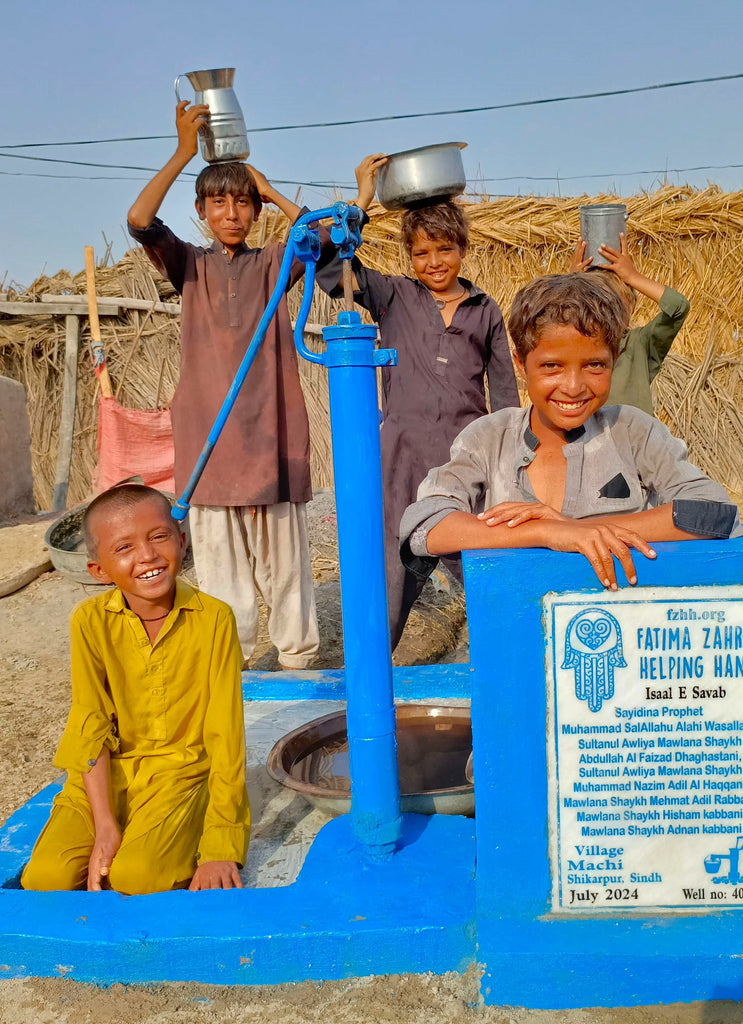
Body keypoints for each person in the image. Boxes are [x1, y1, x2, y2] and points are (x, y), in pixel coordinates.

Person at [127, 99, 327, 668]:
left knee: (289, 582)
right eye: (219, 202)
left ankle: (299, 672)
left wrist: (270, 187)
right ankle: (230, 682)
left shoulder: (275, 263)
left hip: (273, 444)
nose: (233, 212)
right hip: (209, 451)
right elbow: (139, 221)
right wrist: (183, 152)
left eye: (243, 202)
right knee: (224, 591)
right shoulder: (188, 265)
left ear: (257, 210)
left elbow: (331, 237)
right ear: (202, 211)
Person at [400, 274, 741, 592]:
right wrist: (548, 531)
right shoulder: (489, 437)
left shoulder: (633, 432)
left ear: (615, 359)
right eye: (551, 366)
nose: (574, 387)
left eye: (595, 365)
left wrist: (578, 530)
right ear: (521, 364)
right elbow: (426, 526)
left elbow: (714, 511)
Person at [318, 154, 519, 648]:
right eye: (422, 252)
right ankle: (376, 677)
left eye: (445, 249)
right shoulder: (393, 296)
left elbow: (507, 393)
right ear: (410, 256)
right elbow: (326, 265)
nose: (434, 262)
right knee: (393, 567)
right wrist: (362, 197)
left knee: (477, 560)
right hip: (402, 455)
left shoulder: (485, 309)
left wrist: (513, 460)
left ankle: (501, 656)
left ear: (463, 249)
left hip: (464, 457)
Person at [21, 484, 250, 894]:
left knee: (136, 876)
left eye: (159, 537)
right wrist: (105, 826)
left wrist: (220, 845)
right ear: (99, 570)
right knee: (45, 878)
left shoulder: (214, 619)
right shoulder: (89, 622)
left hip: (180, 776)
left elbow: (225, 735)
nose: (146, 556)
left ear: (181, 542)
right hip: (105, 778)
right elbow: (90, 726)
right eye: (124, 547)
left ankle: (188, 829)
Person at [571, 233, 690, 414]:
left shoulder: (641, 344)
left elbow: (678, 307)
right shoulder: (575, 344)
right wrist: (569, 284)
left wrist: (633, 277)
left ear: (631, 308)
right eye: (597, 303)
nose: (608, 312)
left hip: (636, 442)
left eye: (617, 304)